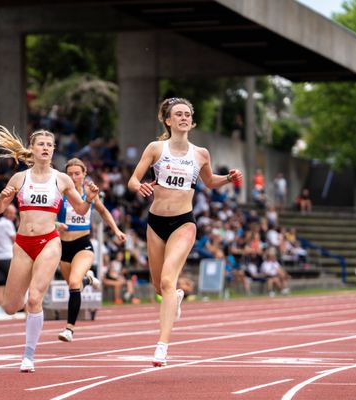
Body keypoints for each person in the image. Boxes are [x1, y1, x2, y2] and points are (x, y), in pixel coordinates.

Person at [128, 97, 242, 367]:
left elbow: (210, 181)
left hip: (183, 223)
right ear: (168, 120)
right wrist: (138, 187)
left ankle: (162, 346)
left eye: (187, 114)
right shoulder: (156, 148)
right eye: (177, 114)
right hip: (156, 223)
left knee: (168, 281)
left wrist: (228, 178)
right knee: (160, 286)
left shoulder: (200, 153)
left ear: (192, 121)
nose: (183, 118)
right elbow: (133, 179)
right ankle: (177, 297)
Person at [0, 126, 98, 373]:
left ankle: (28, 355)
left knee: (36, 298)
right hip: (22, 244)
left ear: (54, 150)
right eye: (41, 144)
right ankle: (35, 309)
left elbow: (81, 210)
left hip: (49, 242)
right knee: (10, 307)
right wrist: (3, 198)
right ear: (32, 148)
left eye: (50, 145)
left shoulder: (62, 179)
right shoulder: (19, 178)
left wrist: (90, 198)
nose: (46, 148)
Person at [56, 158, 126, 343]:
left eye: (77, 173)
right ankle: (88, 279)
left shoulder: (90, 193)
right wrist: (56, 224)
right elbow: (46, 216)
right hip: (63, 247)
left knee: (72, 283)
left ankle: (69, 329)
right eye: (69, 174)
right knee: (75, 286)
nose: (73, 177)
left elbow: (103, 212)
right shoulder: (59, 193)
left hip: (83, 245)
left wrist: (116, 230)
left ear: (84, 174)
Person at [0, 204, 17, 304]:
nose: (13, 216)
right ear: (5, 213)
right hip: (8, 257)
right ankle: (17, 309)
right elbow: (16, 240)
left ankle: (1, 313)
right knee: (15, 285)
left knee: (0, 286)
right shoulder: (8, 224)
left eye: (14, 213)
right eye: (11, 213)